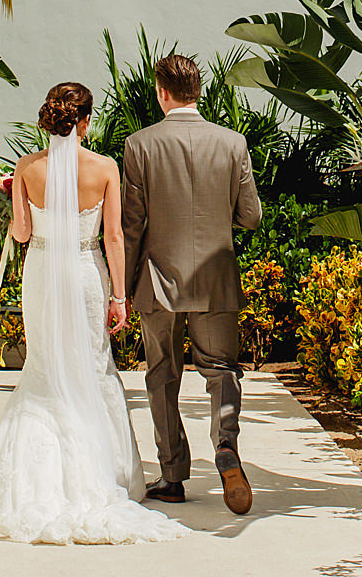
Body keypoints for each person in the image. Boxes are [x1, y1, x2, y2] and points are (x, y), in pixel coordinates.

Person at [0, 82, 187, 544]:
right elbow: (114, 237)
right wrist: (119, 295)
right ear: (84, 121)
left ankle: (38, 483)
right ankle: (103, 474)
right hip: (84, 270)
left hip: (41, 269)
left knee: (45, 365)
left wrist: (12, 192)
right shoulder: (104, 167)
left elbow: (19, 233)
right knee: (94, 366)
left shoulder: (26, 168)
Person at [122, 53, 264, 514]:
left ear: (161, 92)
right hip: (216, 280)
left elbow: (131, 226)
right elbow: (251, 217)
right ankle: (225, 447)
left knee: (162, 375)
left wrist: (121, 291)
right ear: (197, 91)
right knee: (221, 370)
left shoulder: (140, 145)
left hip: (159, 281)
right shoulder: (232, 143)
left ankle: (172, 475)